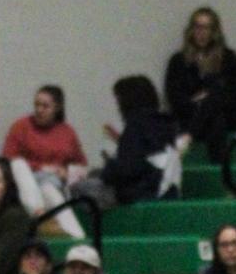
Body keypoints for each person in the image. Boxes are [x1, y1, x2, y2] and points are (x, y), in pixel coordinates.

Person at [69, 76, 180, 212]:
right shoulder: (166, 124)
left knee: (77, 188)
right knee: (93, 174)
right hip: (168, 192)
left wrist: (109, 167)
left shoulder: (135, 126)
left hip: (143, 194)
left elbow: (128, 169)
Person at [164, 6, 236, 162]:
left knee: (216, 97)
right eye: (197, 27)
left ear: (214, 31)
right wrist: (199, 103)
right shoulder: (178, 61)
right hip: (190, 115)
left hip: (227, 113)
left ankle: (189, 137)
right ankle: (221, 169)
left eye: (206, 27)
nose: (201, 32)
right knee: (215, 118)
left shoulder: (229, 58)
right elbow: (174, 95)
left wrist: (210, 98)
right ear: (191, 30)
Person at [2, 86, 86, 235]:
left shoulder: (67, 132)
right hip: (24, 183)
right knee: (18, 164)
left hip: (52, 184)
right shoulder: (21, 126)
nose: (39, 110)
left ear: (57, 108)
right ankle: (38, 213)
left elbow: (82, 165)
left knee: (50, 191)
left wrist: (66, 172)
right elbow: (8, 158)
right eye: (37, 105)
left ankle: (78, 239)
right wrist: (42, 167)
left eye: (45, 106)